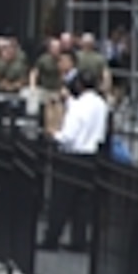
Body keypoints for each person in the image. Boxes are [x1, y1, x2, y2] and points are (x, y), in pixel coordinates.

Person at [40, 69, 110, 251]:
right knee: (83, 202)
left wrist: (53, 134)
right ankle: (79, 240)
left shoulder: (78, 106)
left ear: (78, 85)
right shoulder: (101, 104)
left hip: (72, 155)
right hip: (91, 155)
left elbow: (68, 135)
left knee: (60, 201)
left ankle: (52, 238)